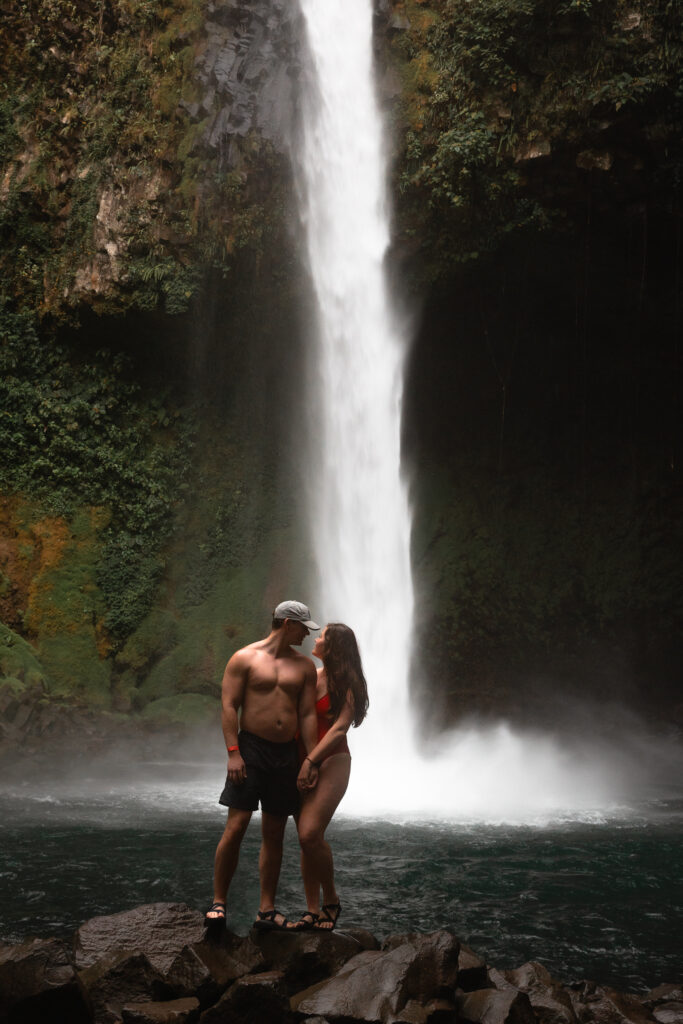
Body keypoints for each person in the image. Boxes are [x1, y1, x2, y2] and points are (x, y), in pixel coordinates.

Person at [205, 600, 320, 930]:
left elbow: (308, 714)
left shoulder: (304, 667)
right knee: (237, 825)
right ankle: (219, 902)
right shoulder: (244, 658)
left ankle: (266, 909)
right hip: (251, 749)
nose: (306, 636)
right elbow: (229, 705)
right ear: (287, 624)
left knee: (275, 832)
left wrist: (309, 759)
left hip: (286, 754)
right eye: (302, 628)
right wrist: (233, 752)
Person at [291, 622, 369, 932]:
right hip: (299, 760)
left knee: (310, 833)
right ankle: (311, 910)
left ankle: (332, 901)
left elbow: (339, 727)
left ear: (333, 646)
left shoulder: (347, 682)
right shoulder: (312, 676)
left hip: (332, 760)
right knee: (305, 840)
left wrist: (312, 760)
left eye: (322, 635)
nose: (316, 638)